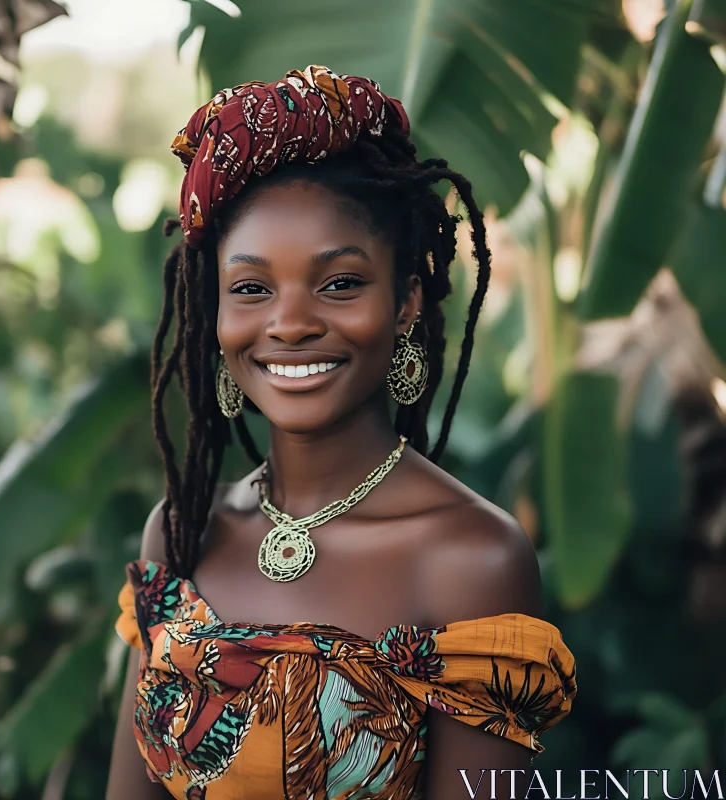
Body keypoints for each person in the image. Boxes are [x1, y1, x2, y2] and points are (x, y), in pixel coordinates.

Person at [106, 65, 577, 800]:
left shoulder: (470, 560)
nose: (290, 324)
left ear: (408, 302)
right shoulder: (180, 532)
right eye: (252, 289)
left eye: (340, 284)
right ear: (215, 311)